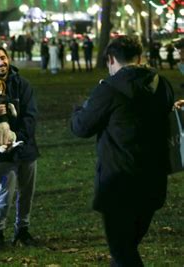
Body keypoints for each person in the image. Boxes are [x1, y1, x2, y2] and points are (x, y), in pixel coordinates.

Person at [71, 36, 174, 266]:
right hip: (154, 180)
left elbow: (81, 127)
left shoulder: (108, 90)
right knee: (126, 247)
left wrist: (80, 108)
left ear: (110, 60)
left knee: (122, 252)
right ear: (139, 57)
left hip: (119, 183)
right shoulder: (161, 84)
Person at [0, 45, 40, 249]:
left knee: (26, 193)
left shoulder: (22, 84)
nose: (0, 63)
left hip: (25, 147)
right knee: (4, 192)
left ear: (9, 59)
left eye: (3, 58)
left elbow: (31, 116)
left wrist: (18, 138)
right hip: (2, 151)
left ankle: (22, 230)